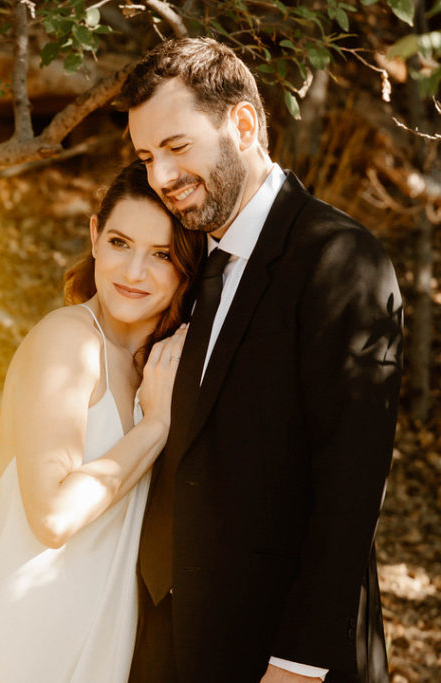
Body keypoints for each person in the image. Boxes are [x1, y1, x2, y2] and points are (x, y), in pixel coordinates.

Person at [116, 38, 403, 683]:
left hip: (280, 656)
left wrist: (297, 666)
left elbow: (350, 491)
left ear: (242, 124)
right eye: (146, 156)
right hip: (173, 643)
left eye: (177, 147)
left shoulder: (340, 261)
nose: (161, 177)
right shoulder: (185, 263)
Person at [0, 161, 204, 683]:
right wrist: (155, 427)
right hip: (21, 652)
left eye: (162, 255)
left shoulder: (156, 369)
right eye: (121, 243)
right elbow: (52, 516)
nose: (132, 272)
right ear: (94, 237)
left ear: (187, 267)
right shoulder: (68, 341)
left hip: (100, 652)